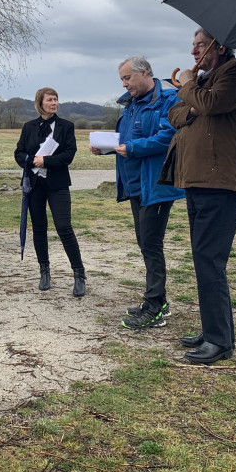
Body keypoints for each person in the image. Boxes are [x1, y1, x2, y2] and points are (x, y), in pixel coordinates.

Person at [162, 27, 236, 364]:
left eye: (200, 44)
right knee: (202, 260)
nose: (194, 51)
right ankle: (212, 328)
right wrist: (192, 100)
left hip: (219, 181)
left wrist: (189, 87)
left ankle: (220, 341)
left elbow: (212, 104)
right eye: (193, 45)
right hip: (196, 180)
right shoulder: (203, 79)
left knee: (210, 260)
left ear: (220, 45)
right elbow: (174, 115)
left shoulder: (235, 73)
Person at [91, 56, 184, 330]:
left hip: (155, 185)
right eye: (122, 79)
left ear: (144, 73)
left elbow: (168, 137)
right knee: (145, 243)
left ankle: (155, 307)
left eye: (127, 78)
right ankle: (157, 300)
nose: (124, 84)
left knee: (152, 245)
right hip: (133, 185)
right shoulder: (130, 104)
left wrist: (131, 149)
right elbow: (126, 140)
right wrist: (106, 147)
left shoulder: (168, 99)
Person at [14, 87, 86, 297]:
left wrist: (46, 160)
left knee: (64, 227)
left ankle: (79, 274)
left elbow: (69, 155)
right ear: (40, 103)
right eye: (50, 100)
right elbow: (19, 152)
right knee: (39, 228)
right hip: (35, 185)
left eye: (56, 100)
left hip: (58, 184)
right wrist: (30, 161)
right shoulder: (29, 127)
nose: (54, 103)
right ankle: (44, 271)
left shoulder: (66, 127)